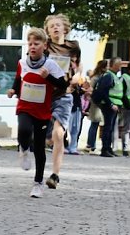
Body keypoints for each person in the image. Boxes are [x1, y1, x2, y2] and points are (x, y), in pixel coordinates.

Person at [8, 28, 67, 198]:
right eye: (30, 43)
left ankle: (38, 183)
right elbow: (18, 81)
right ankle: (24, 149)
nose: (33, 47)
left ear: (44, 46)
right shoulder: (22, 63)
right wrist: (13, 90)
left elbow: (63, 85)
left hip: (42, 111)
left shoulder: (51, 65)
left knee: (40, 148)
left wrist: (48, 77)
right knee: (24, 130)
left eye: (36, 43)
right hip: (25, 107)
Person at [44, 14, 81, 187]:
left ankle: (55, 175)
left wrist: (78, 76)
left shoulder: (73, 47)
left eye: (58, 25)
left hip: (64, 94)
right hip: (43, 94)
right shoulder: (44, 46)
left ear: (65, 28)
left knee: (58, 134)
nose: (55, 28)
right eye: (52, 26)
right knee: (42, 135)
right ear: (47, 30)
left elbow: (78, 67)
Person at [95, 57, 124, 158]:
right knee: (108, 127)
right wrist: (111, 104)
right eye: (119, 64)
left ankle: (108, 148)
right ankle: (105, 149)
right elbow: (104, 92)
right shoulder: (109, 76)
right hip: (109, 105)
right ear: (114, 65)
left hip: (114, 105)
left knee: (111, 128)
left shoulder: (114, 76)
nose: (120, 67)